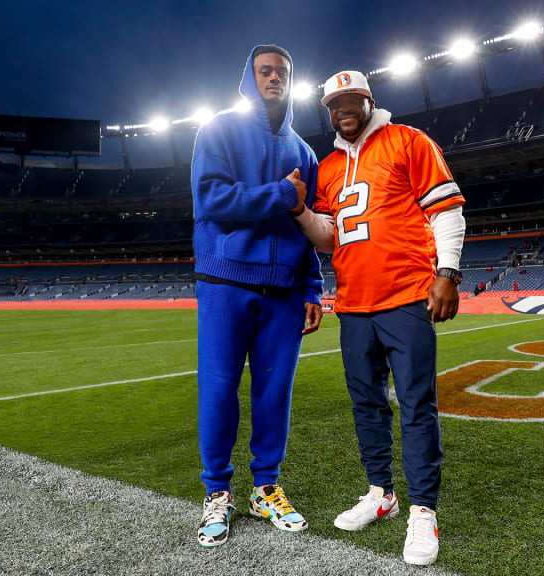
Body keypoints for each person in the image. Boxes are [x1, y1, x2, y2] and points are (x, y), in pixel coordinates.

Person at [293, 70, 465, 566]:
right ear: (327, 111)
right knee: (366, 405)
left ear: (369, 100)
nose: (343, 109)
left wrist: (447, 272)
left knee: (416, 406)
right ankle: (381, 493)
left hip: (407, 297)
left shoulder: (408, 141)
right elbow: (329, 237)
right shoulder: (326, 168)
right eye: (334, 104)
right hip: (354, 305)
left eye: (351, 100)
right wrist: (301, 211)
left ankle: (423, 510)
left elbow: (446, 211)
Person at [190, 44, 323, 548]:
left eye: (282, 73)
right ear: (249, 76)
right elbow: (212, 199)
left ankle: (265, 488)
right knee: (219, 391)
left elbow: (306, 227)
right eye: (265, 71)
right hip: (226, 282)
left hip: (286, 292)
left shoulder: (304, 153)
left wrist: (312, 285)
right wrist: (281, 194)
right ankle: (216, 493)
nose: (275, 79)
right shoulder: (219, 129)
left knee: (274, 395)